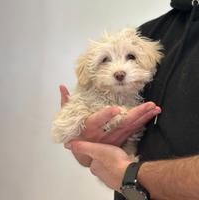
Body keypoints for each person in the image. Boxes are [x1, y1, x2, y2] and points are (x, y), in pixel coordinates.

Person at [61, 0, 199, 199]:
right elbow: (87, 154)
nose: (119, 70)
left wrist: (130, 176)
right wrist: (84, 142)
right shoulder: (149, 33)